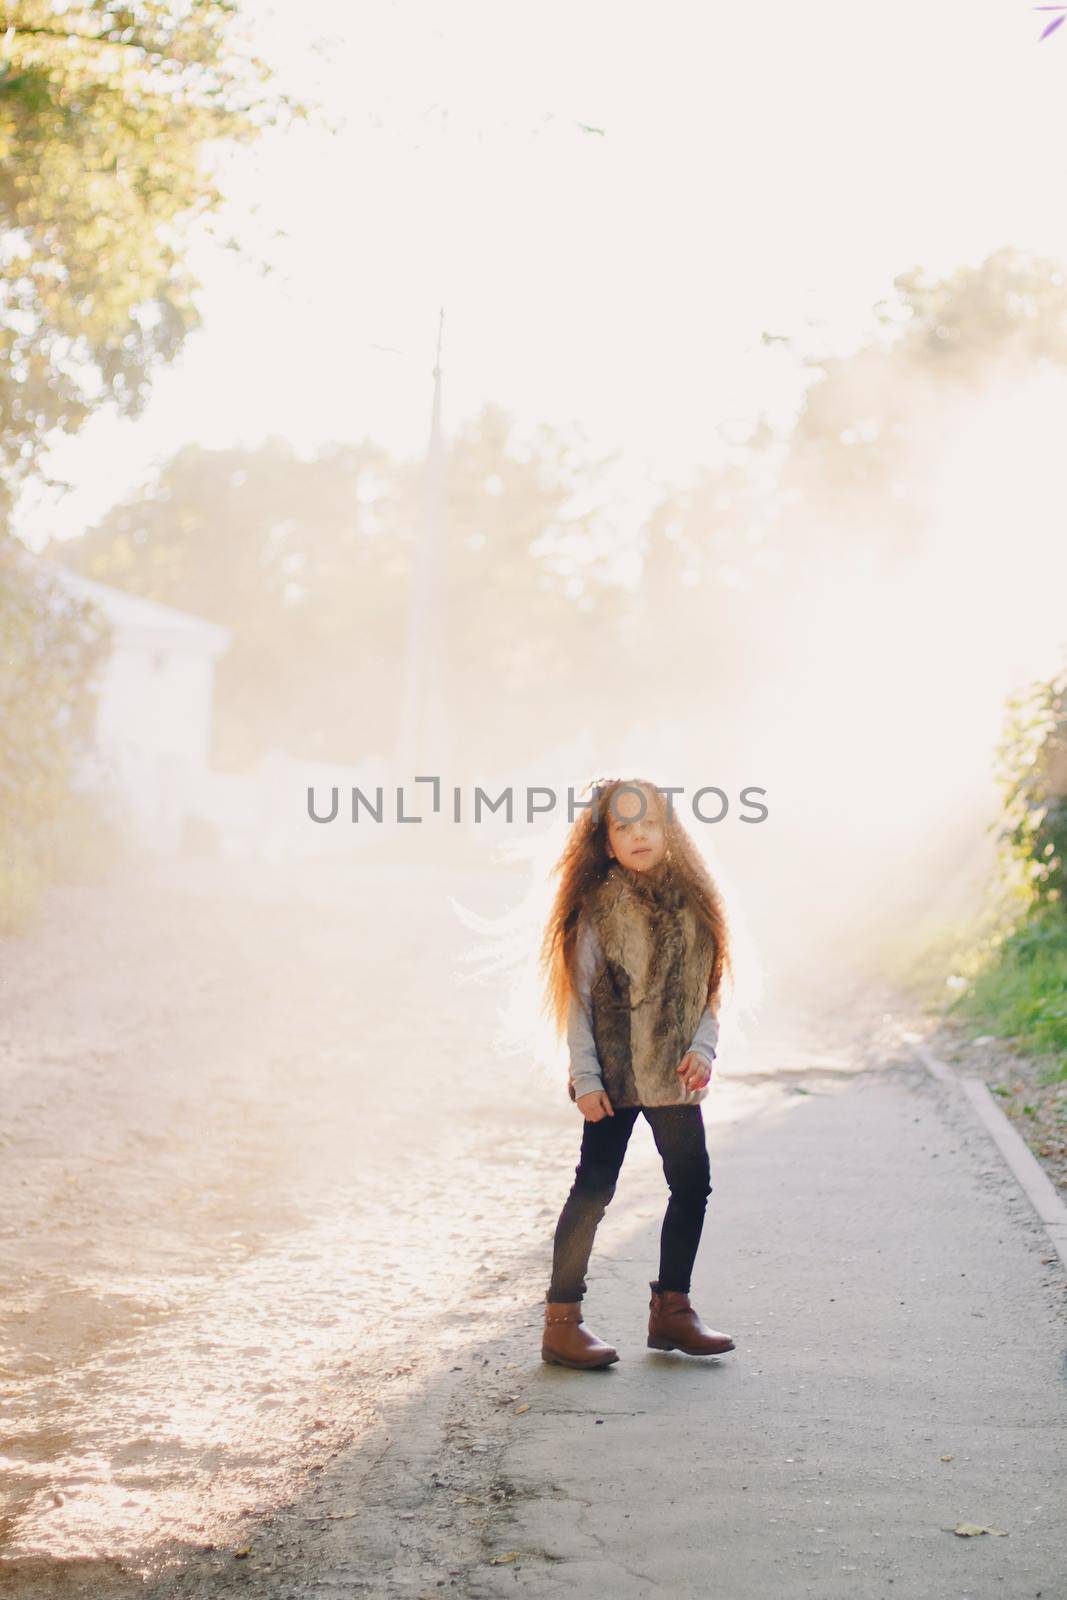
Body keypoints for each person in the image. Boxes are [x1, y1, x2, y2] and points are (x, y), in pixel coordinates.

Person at [537, 776, 737, 1369]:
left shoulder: (696, 902)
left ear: (668, 830)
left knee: (692, 1184)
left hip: (674, 1076)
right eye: (625, 827)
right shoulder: (599, 909)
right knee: (594, 1190)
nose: (640, 835)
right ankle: (562, 1322)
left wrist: (704, 1050)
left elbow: (710, 993)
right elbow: (574, 998)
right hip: (616, 1077)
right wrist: (586, 1076)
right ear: (606, 841)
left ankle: (672, 1311)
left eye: (649, 823)